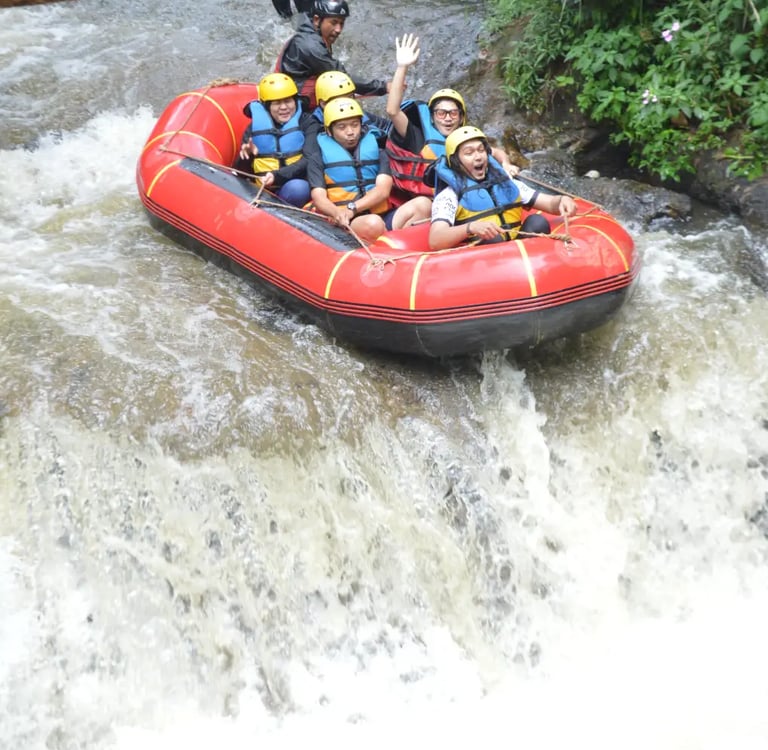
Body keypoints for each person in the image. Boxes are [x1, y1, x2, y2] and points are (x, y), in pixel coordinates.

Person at [385, 34, 519, 200]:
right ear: (432, 117)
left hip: (464, 200)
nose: (447, 118)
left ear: (461, 117)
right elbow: (392, 110)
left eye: (453, 113)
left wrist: (506, 163)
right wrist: (402, 66)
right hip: (429, 202)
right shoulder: (416, 136)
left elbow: (497, 153)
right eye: (441, 113)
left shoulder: (465, 140)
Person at [429, 126, 576, 250]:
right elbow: (435, 240)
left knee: (537, 221)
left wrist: (562, 200)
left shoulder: (508, 185)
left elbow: (550, 204)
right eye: (469, 153)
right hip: (484, 263)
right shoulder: (449, 196)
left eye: (481, 150)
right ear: (456, 162)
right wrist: (471, 227)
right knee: (492, 238)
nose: (478, 157)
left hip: (520, 252)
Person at [306, 97, 432, 243]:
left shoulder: (378, 151)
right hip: (350, 222)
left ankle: (395, 245)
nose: (350, 132)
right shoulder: (318, 158)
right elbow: (319, 197)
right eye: (342, 127)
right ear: (329, 131)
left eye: (355, 125)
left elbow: (383, 190)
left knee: (423, 204)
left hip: (380, 215)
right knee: (373, 223)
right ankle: (393, 244)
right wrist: (338, 213)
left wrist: (353, 207)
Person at [275, 0, 390, 109]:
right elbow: (343, 78)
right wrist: (384, 87)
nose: (338, 29)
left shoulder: (311, 30)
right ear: (316, 20)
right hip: (294, 102)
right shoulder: (312, 47)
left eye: (341, 23)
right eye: (334, 22)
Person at [237, 72, 311, 207]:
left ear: (295, 101)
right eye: (277, 103)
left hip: (293, 186)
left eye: (288, 101)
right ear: (267, 106)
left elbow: (310, 158)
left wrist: (277, 175)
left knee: (298, 189)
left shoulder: (306, 122)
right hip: (262, 190)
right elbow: (240, 173)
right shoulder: (254, 128)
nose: (283, 107)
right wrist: (246, 156)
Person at [303, 69, 391, 152]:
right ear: (323, 104)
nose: (347, 103)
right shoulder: (313, 126)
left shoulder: (357, 113)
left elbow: (387, 126)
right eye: (339, 100)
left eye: (350, 97)